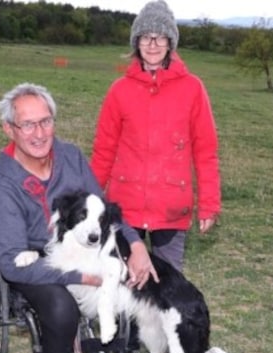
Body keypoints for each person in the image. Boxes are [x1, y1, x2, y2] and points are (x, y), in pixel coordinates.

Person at [0, 82, 157, 353]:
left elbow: (101, 211)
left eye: (45, 121)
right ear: (9, 129)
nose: (39, 133)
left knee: (132, 274)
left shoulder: (71, 157)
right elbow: (9, 261)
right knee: (62, 307)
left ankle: (132, 350)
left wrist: (136, 245)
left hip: (80, 248)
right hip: (34, 261)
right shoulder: (2, 183)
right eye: (27, 124)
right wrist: (76, 277)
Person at [91, 0, 221, 272]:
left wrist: (209, 203)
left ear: (170, 42)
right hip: (125, 207)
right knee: (123, 284)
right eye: (146, 37)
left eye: (160, 36)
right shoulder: (119, 91)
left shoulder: (193, 89)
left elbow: (205, 151)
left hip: (171, 209)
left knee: (167, 290)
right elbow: (104, 150)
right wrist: (91, 198)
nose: (152, 44)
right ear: (136, 42)